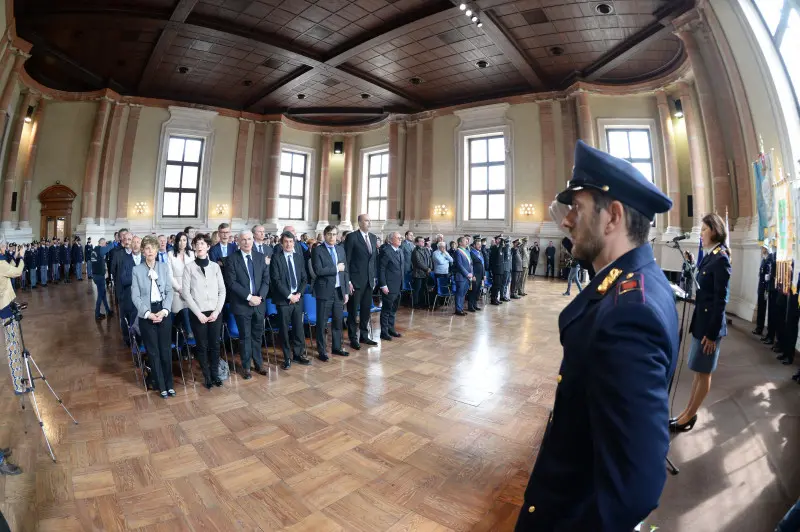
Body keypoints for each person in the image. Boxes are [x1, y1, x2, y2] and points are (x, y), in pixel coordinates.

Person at [516, 140, 678, 531]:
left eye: (578, 208)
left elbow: (634, 487)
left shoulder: (629, 315)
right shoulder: (636, 283)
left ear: (613, 217)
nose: (567, 220)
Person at [670, 213, 731, 433]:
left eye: (704, 229)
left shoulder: (721, 258)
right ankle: (687, 412)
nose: (701, 234)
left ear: (714, 230)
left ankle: (690, 415)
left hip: (710, 327)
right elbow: (703, 285)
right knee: (697, 370)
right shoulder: (709, 256)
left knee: (704, 373)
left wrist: (712, 334)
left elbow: (720, 300)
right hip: (702, 321)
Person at [131, 235, 174, 398]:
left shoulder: (163, 267)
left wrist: (164, 311)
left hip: (163, 312)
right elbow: (135, 296)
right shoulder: (137, 270)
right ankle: (160, 384)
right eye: (147, 248)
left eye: (153, 248)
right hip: (146, 314)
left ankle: (169, 384)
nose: (150, 251)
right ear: (142, 251)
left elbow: (169, 291)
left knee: (165, 350)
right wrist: (148, 314)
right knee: (153, 351)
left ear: (157, 250)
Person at [224, 230, 271, 378]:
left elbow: (266, 280)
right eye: (243, 239)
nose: (246, 242)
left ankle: (258, 364)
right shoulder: (231, 259)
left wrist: (260, 297)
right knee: (245, 337)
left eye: (249, 239)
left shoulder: (260, 257)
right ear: (238, 241)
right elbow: (231, 283)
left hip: (259, 304)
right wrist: (249, 297)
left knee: (257, 336)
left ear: (253, 240)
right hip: (242, 305)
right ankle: (246, 367)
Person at [182, 233, 225, 389]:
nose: (199, 246)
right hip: (197, 314)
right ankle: (207, 376)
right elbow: (186, 293)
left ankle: (215, 374)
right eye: (197, 243)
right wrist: (198, 313)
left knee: (215, 344)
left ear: (208, 247)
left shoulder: (215, 267)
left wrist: (217, 311)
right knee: (202, 345)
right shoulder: (189, 268)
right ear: (194, 247)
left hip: (215, 313)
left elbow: (222, 290)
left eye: (202, 243)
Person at [270, 231, 311, 369]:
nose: (288, 244)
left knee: (299, 328)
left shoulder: (299, 257)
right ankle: (287, 357)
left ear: (294, 243)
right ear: (282, 243)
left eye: (291, 241)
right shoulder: (276, 258)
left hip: (298, 298)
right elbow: (276, 281)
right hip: (284, 300)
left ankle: (298, 354)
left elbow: (304, 278)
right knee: (284, 330)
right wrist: (289, 296)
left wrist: (298, 293)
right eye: (286, 241)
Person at [312, 225, 350, 361]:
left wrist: (345, 291)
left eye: (334, 234)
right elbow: (319, 271)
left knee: (338, 321)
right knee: (322, 323)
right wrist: (335, 268)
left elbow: (345, 272)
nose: (332, 237)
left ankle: (337, 347)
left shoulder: (340, 249)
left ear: (337, 236)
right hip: (324, 291)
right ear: (324, 235)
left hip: (339, 291)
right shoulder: (317, 250)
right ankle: (322, 351)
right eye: (329, 234)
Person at [344, 214, 379, 350]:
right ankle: (353, 338)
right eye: (366, 220)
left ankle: (364, 336)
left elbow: (373, 261)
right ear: (359, 223)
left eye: (370, 220)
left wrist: (374, 278)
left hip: (369, 281)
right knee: (353, 312)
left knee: (365, 310)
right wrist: (348, 281)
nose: (369, 222)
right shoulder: (352, 237)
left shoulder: (373, 237)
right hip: (356, 281)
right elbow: (347, 260)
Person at [168, 232, 195, 339]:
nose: (182, 243)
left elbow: (195, 272)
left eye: (184, 240)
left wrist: (189, 289)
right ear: (176, 242)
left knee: (189, 313)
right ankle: (186, 336)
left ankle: (190, 336)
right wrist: (179, 289)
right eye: (179, 240)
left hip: (190, 288)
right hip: (176, 290)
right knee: (181, 312)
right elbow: (169, 275)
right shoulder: (170, 254)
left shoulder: (192, 254)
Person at [377, 232, 403, 340]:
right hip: (389, 286)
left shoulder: (400, 251)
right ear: (391, 240)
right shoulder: (386, 251)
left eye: (400, 238)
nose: (400, 239)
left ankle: (391, 329)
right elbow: (381, 269)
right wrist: (383, 285)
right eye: (398, 238)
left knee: (393, 309)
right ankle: (384, 332)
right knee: (386, 310)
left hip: (398, 286)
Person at [90, 238, 115, 320]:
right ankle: (97, 314)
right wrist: (112, 242)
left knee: (103, 294)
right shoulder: (100, 250)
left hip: (95, 275)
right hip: (99, 276)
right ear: (102, 243)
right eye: (104, 244)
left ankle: (108, 310)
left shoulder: (95, 249)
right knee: (100, 295)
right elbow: (109, 248)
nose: (105, 245)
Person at [452, 236, 473, 316]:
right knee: (459, 293)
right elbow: (459, 265)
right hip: (461, 276)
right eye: (465, 241)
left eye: (467, 240)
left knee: (463, 293)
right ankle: (458, 309)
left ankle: (461, 308)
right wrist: (467, 274)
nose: (467, 242)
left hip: (468, 276)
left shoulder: (467, 251)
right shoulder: (458, 251)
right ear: (460, 243)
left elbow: (471, 264)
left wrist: (471, 273)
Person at [753, 243, 771, 336]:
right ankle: (759, 327)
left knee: (763, 308)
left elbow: (767, 275)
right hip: (761, 287)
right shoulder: (764, 259)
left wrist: (766, 290)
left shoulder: (768, 260)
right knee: (761, 308)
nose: (762, 249)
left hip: (764, 288)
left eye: (764, 247)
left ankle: (760, 328)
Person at [410, 236, 432, 308]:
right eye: (420, 241)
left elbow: (430, 259)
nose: (423, 242)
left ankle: (423, 303)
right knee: (417, 289)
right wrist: (427, 269)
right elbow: (418, 262)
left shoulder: (425, 249)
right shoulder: (415, 251)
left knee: (423, 289)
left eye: (423, 241)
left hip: (425, 273)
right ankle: (415, 304)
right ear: (416, 243)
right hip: (418, 273)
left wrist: (430, 268)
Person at [489, 236, 506, 305]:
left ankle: (496, 298)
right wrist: (501, 244)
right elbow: (498, 255)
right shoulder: (494, 248)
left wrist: (503, 244)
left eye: (501, 239)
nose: (501, 240)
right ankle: (493, 299)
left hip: (500, 270)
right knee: (495, 285)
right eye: (499, 239)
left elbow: (504, 252)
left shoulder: (500, 248)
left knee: (498, 285)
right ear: (496, 240)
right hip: (496, 270)